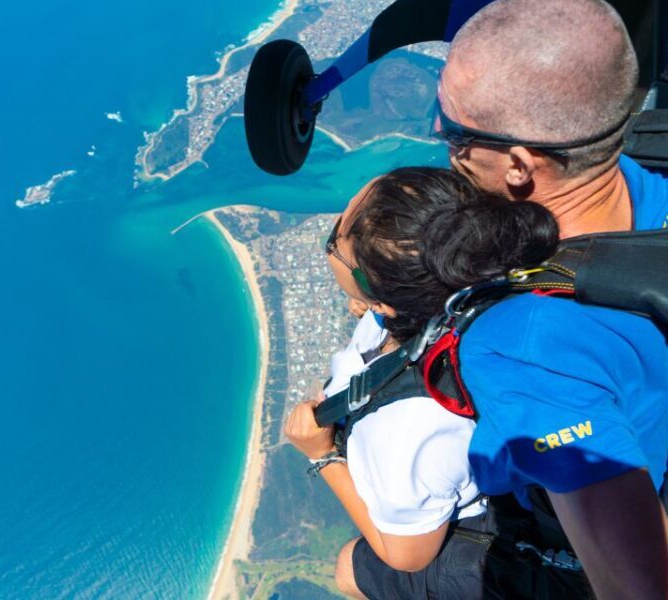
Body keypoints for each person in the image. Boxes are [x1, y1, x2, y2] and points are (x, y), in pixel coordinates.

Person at [426, 0, 668, 598]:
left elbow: (638, 587)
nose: (438, 133)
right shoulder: (654, 178)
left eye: (456, 131)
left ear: (518, 166)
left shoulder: (524, 344)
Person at [284, 167, 563, 599]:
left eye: (333, 239)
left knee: (348, 569)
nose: (333, 233)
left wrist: (322, 457)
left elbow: (406, 556)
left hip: (503, 532)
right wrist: (376, 306)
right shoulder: (488, 270)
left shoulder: (405, 430)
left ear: (387, 298)